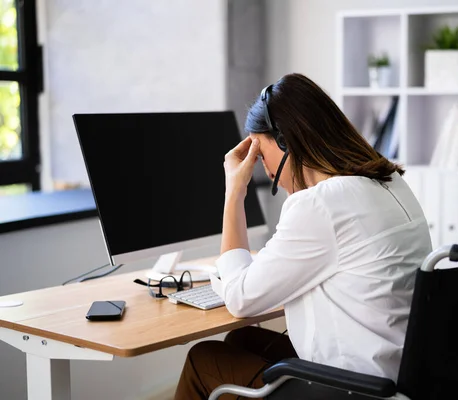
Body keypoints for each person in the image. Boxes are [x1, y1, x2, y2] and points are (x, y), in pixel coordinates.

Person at [174, 73, 432, 400]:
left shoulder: (321, 203)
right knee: (243, 342)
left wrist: (234, 191)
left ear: (286, 143)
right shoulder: (389, 181)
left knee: (203, 361)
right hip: (397, 375)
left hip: (355, 389)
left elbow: (239, 299)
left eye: (264, 160)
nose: (270, 177)